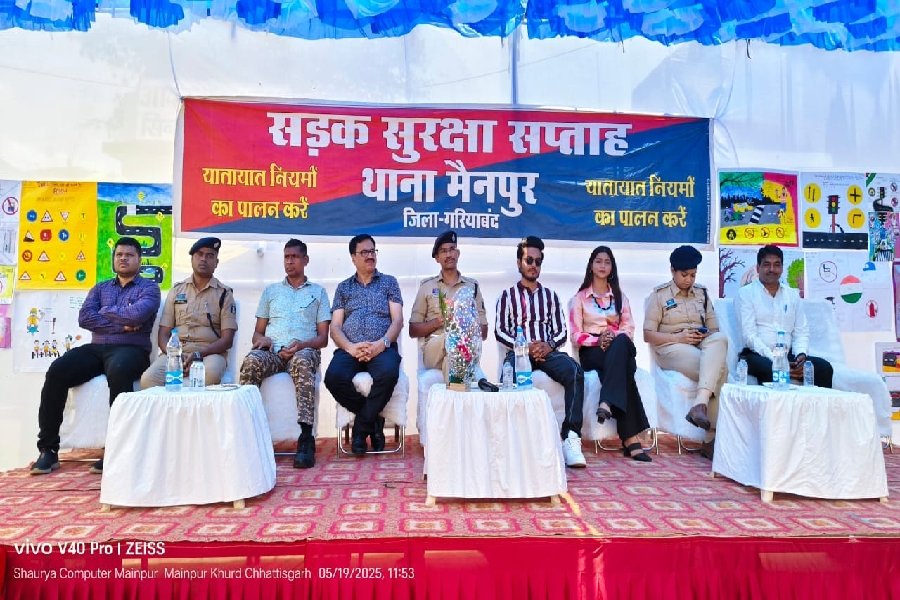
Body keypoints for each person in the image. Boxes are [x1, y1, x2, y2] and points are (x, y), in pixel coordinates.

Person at [30, 237, 161, 475]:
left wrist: (106, 312)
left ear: (139, 260)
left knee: (119, 369)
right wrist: (122, 325)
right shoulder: (101, 288)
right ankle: (48, 449)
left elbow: (137, 315)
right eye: (119, 254)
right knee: (57, 371)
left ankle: (116, 449)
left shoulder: (149, 288)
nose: (123, 259)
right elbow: (85, 318)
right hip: (96, 348)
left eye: (129, 255)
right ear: (113, 258)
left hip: (131, 350)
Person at [238, 239, 331, 469]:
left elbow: (323, 339)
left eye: (295, 257)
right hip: (273, 352)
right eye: (286, 257)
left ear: (305, 260)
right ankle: (247, 431)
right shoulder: (271, 292)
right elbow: (257, 333)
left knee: (303, 360)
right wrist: (262, 340)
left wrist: (302, 345)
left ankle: (306, 439)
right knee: (251, 361)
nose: (289, 261)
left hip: (303, 350)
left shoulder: (318, 293)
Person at [496, 236, 587, 468]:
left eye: (538, 261)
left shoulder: (550, 297)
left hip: (547, 352)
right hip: (519, 352)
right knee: (507, 379)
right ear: (519, 263)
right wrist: (524, 347)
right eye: (529, 260)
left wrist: (548, 345)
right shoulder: (507, 296)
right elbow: (500, 331)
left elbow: (561, 331)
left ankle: (571, 437)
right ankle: (508, 442)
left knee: (575, 371)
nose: (533, 265)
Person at [569, 245, 651, 462]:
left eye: (607, 262)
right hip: (593, 351)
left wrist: (611, 337)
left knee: (621, 344)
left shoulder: (620, 297)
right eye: (598, 261)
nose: (602, 265)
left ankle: (606, 401)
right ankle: (631, 439)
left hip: (619, 345)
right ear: (591, 265)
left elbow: (628, 329)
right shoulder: (580, 298)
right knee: (624, 369)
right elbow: (575, 335)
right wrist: (598, 340)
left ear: (612, 267)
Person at [643, 245, 726, 459]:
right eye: (684, 274)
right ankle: (711, 439)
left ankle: (699, 405)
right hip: (671, 348)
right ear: (673, 270)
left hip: (698, 345)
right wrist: (678, 337)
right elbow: (648, 334)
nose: (689, 279)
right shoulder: (659, 295)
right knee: (719, 370)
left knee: (720, 340)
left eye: (693, 275)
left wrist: (702, 335)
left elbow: (714, 330)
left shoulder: (702, 294)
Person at [324, 234, 403, 456]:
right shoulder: (343, 288)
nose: (370, 256)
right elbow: (335, 327)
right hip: (350, 348)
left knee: (388, 373)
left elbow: (397, 320)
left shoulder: (389, 282)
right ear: (353, 257)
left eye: (373, 251)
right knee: (333, 378)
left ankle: (360, 430)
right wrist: (350, 347)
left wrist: (381, 344)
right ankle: (373, 422)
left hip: (382, 347)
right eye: (364, 252)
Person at [140, 237, 237, 389]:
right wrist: (175, 356)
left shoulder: (224, 294)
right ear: (192, 259)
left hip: (209, 355)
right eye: (199, 254)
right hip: (175, 353)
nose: (203, 259)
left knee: (210, 375)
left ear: (216, 263)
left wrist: (199, 354)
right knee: (148, 380)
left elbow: (227, 340)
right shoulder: (177, 290)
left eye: (210, 255)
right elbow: (163, 335)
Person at [736, 244, 833, 387]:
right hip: (757, 355)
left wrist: (800, 356)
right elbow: (749, 336)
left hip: (788, 354)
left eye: (777, 265)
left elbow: (801, 331)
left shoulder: (792, 294)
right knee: (770, 368)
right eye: (766, 265)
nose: (772, 269)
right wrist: (777, 361)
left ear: (782, 268)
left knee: (824, 368)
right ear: (758, 268)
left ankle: (815, 402)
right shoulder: (745, 294)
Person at [409, 230, 488, 376]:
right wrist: (439, 322)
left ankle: (455, 389)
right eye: (444, 251)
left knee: (451, 359)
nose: (449, 254)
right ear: (437, 258)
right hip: (434, 349)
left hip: (463, 350)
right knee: (453, 338)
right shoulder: (427, 286)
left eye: (452, 249)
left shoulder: (472, 287)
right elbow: (413, 330)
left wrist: (464, 322)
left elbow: (483, 332)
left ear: (458, 253)